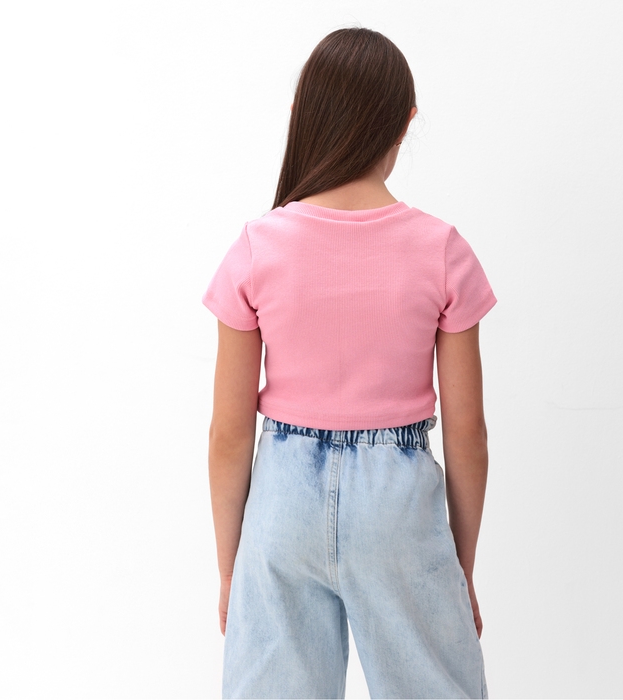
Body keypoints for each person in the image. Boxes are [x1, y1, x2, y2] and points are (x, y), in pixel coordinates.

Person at [202, 26, 496, 700]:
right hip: (399, 506)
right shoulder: (441, 249)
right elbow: (468, 433)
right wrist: (459, 566)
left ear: (304, 115)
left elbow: (227, 435)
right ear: (405, 122)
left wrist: (231, 566)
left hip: (282, 505)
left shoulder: (257, 247)